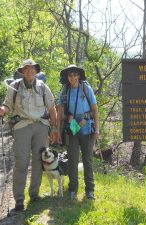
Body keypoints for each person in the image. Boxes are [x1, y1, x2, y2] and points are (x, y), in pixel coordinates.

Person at [0, 59, 57, 211]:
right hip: (21, 126)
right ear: (22, 71)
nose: (30, 71)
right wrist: (2, 110)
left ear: (36, 71)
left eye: (33, 69)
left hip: (41, 126)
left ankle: (34, 195)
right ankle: (19, 199)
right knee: (21, 162)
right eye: (27, 69)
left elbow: (52, 107)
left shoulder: (43, 87)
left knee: (38, 161)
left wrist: (54, 128)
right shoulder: (14, 87)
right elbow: (7, 104)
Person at [57, 64, 99, 200]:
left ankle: (90, 190)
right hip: (72, 129)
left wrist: (97, 130)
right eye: (70, 75)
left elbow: (95, 110)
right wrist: (60, 126)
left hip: (87, 128)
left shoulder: (86, 88)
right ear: (67, 77)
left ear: (79, 75)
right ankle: (73, 189)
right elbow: (60, 112)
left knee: (88, 160)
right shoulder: (64, 91)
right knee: (72, 161)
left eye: (75, 74)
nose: (73, 77)